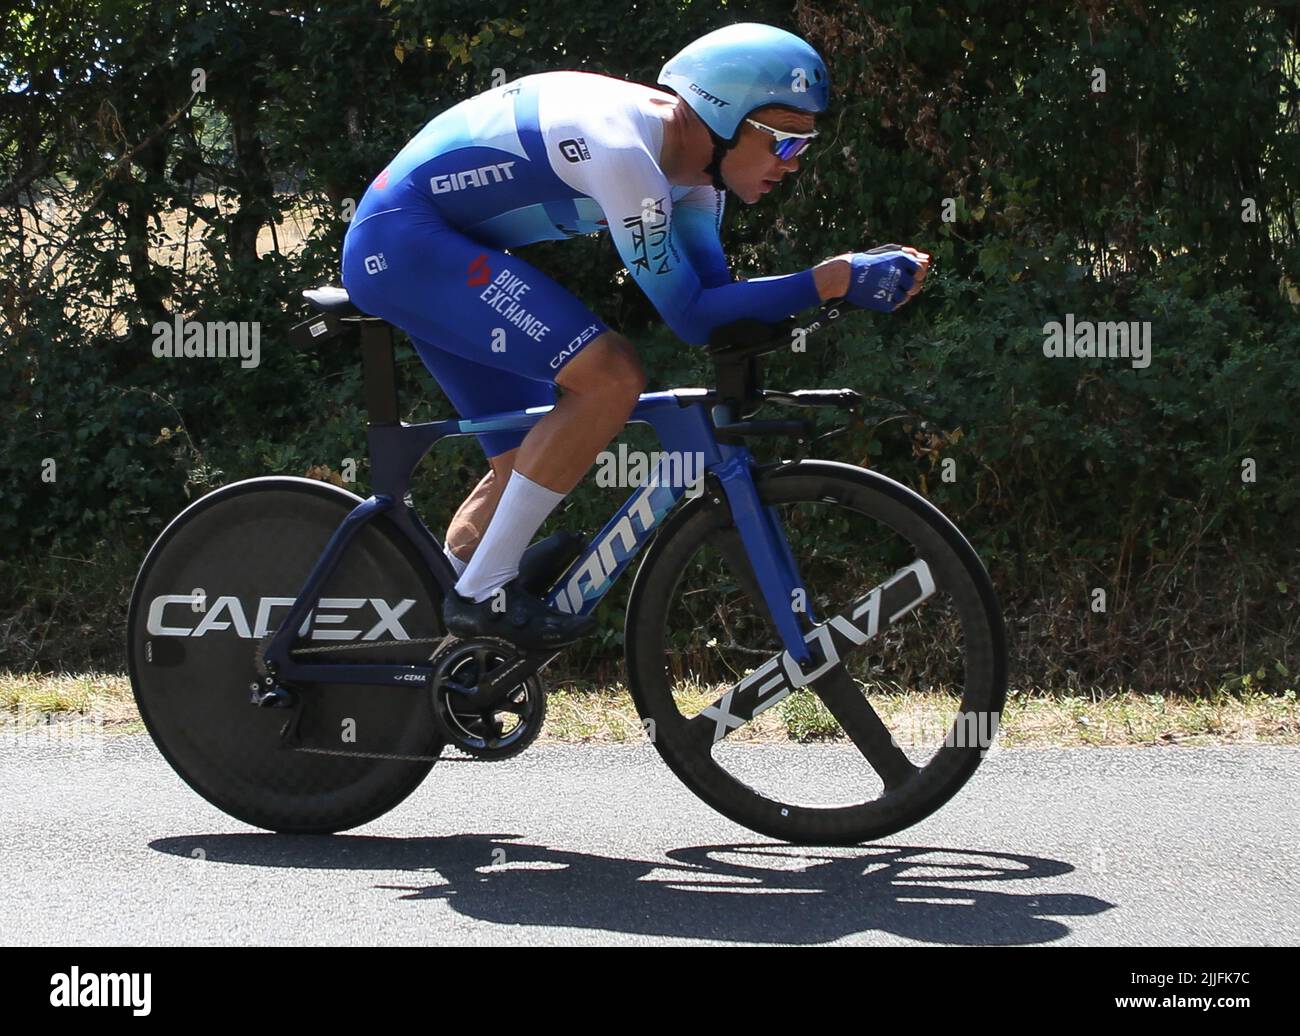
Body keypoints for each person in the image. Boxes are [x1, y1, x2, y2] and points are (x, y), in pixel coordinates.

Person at [340, 22, 930, 651]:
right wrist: (832, 279)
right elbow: (691, 315)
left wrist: (828, 289)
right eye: (783, 143)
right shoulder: (626, 156)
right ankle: (479, 593)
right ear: (722, 117)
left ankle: (450, 641)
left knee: (523, 460)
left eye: (803, 149)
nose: (791, 166)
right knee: (611, 375)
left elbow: (718, 307)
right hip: (401, 244)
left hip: (441, 247)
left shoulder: (696, 180)